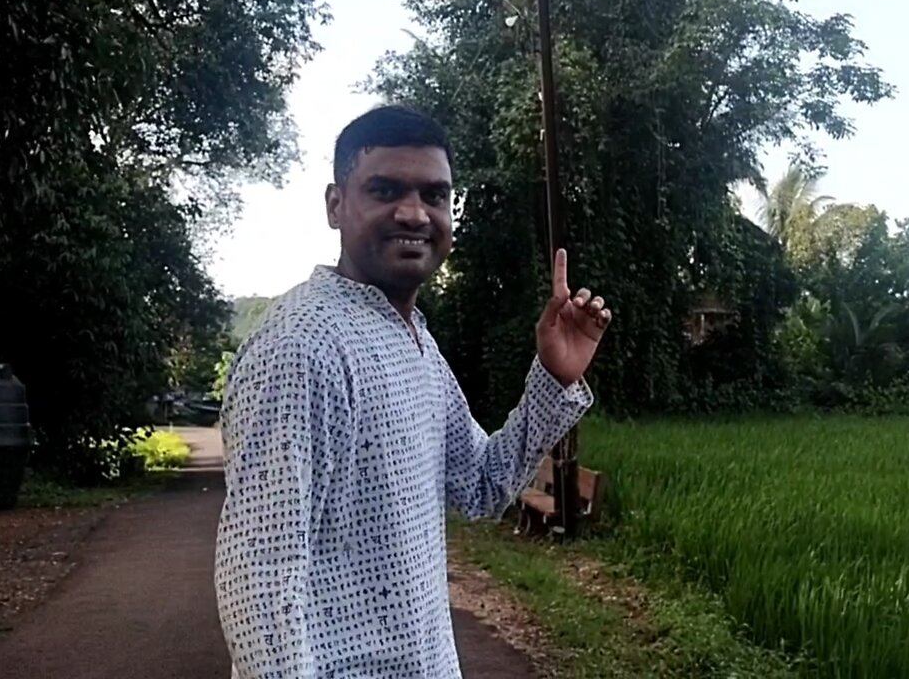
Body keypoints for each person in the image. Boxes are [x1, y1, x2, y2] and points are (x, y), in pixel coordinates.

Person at [214, 104, 613, 678]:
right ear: (335, 205)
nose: (414, 213)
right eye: (384, 190)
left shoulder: (413, 342)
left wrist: (553, 379)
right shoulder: (301, 347)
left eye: (434, 195)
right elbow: (261, 581)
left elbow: (481, 486)